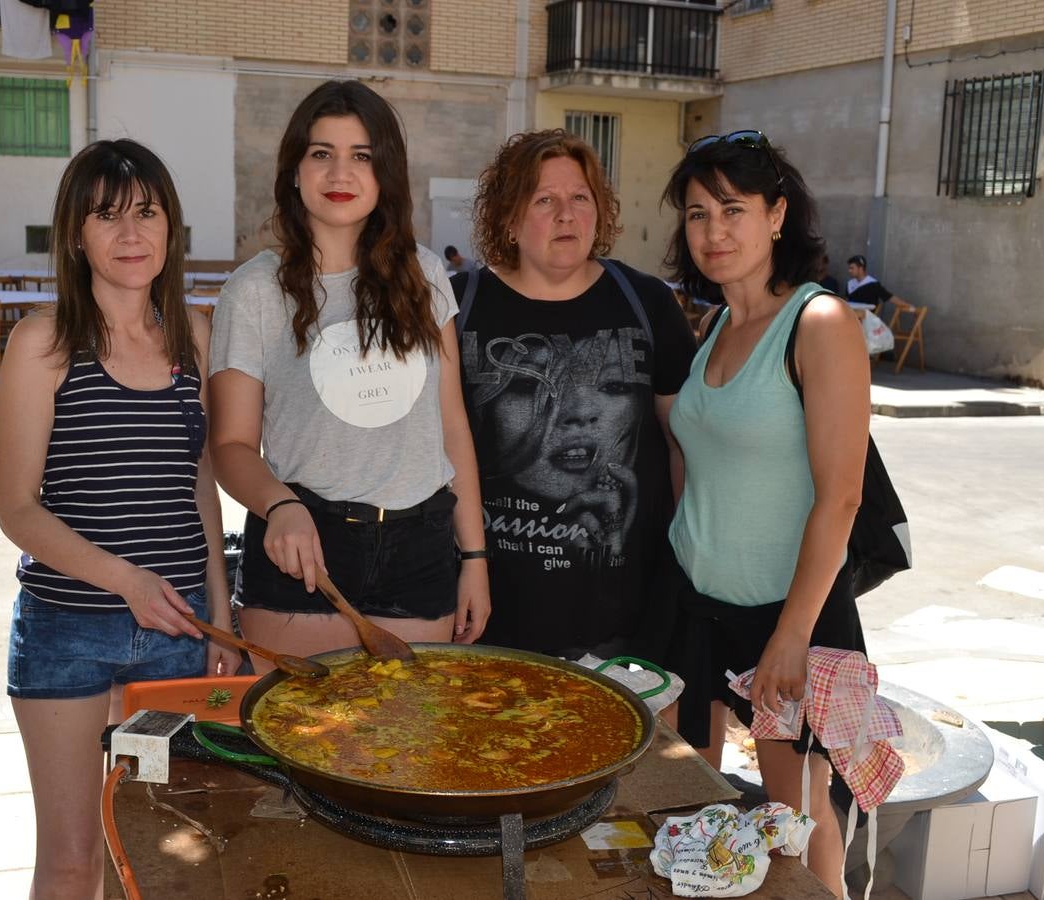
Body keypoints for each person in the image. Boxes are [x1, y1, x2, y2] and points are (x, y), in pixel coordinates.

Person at [0, 138, 240, 899]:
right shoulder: (44, 344)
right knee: (72, 861)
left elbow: (198, 481)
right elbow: (16, 509)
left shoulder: (195, 338)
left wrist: (218, 614)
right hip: (68, 636)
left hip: (174, 640)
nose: (130, 235)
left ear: (172, 230)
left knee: (159, 851)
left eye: (146, 213)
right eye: (106, 217)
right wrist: (125, 580)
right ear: (76, 234)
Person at [209, 80, 490, 671]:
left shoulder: (425, 275)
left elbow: (453, 429)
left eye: (361, 156)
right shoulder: (254, 290)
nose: (341, 172)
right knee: (294, 752)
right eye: (321, 153)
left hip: (420, 549)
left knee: (402, 756)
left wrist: (474, 558)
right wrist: (279, 507)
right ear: (294, 170)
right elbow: (231, 445)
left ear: (384, 172)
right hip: (303, 546)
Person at [660, 130, 871, 898]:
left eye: (733, 209)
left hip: (787, 623)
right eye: (696, 214)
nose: (714, 232)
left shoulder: (819, 326)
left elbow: (840, 495)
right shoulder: (713, 325)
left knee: (803, 848)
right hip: (699, 610)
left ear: (777, 215)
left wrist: (791, 636)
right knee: (695, 821)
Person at [452, 129, 696, 661]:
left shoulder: (646, 303)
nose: (567, 214)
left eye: (580, 198)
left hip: (623, 616)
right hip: (490, 610)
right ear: (509, 220)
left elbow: (685, 445)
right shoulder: (458, 307)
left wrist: (685, 567)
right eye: (544, 200)